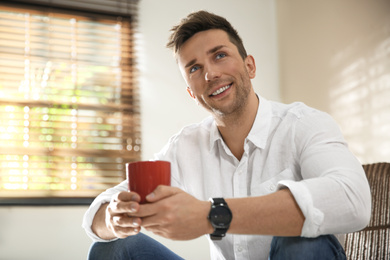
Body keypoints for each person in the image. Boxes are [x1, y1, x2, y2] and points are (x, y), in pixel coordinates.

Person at [82, 10, 371, 260]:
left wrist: (211, 214)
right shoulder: (185, 146)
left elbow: (353, 199)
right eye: (195, 68)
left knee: (299, 242)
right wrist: (113, 218)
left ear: (250, 66)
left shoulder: (304, 124)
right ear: (192, 94)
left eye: (220, 55)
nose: (210, 74)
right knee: (112, 249)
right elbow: (98, 212)